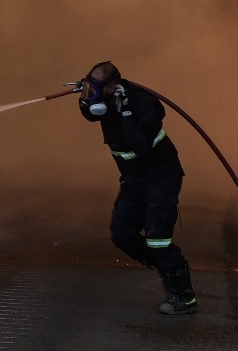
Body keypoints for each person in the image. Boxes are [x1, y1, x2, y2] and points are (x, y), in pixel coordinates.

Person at [78, 61, 197, 315]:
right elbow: (89, 114)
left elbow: (141, 146)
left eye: (95, 88)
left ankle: (182, 295)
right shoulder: (106, 100)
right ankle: (168, 268)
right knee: (122, 234)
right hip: (133, 180)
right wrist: (87, 96)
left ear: (112, 87)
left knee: (158, 240)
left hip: (161, 176)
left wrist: (124, 112)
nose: (92, 95)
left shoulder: (144, 104)